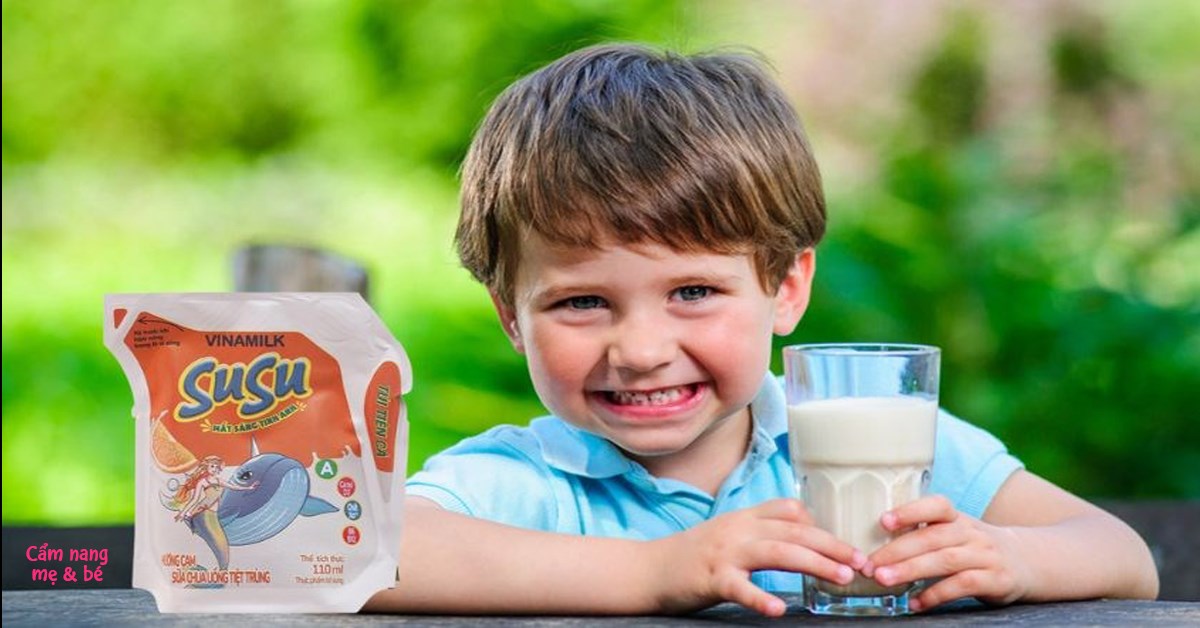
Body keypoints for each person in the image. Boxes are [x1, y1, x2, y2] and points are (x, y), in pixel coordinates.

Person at [366, 42, 1158, 616]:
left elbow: (1124, 556)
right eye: (581, 303)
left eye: (694, 291)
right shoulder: (526, 480)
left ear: (786, 290)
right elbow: (367, 551)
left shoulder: (873, 443)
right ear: (511, 316)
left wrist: (1011, 556)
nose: (640, 352)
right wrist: (657, 572)